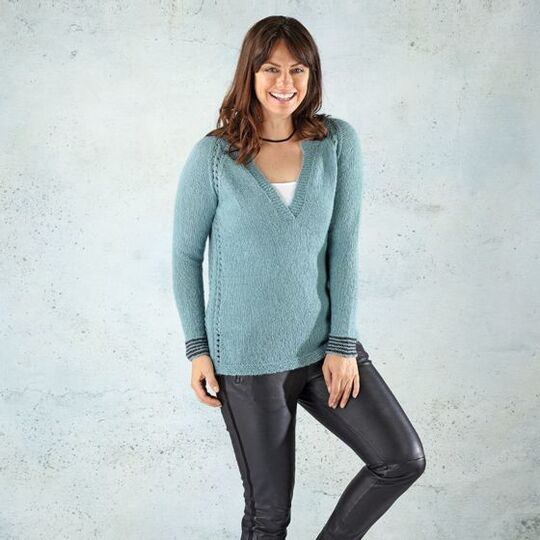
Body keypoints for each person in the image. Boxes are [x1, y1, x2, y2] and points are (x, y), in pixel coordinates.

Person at [172, 15, 426, 540]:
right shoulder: (214, 157)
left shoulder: (337, 143)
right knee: (269, 517)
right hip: (247, 362)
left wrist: (343, 344)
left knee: (400, 459)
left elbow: (345, 249)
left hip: (323, 352)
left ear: (312, 75)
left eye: (298, 69)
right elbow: (184, 256)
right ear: (250, 73)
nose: (284, 82)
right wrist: (198, 349)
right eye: (271, 68)